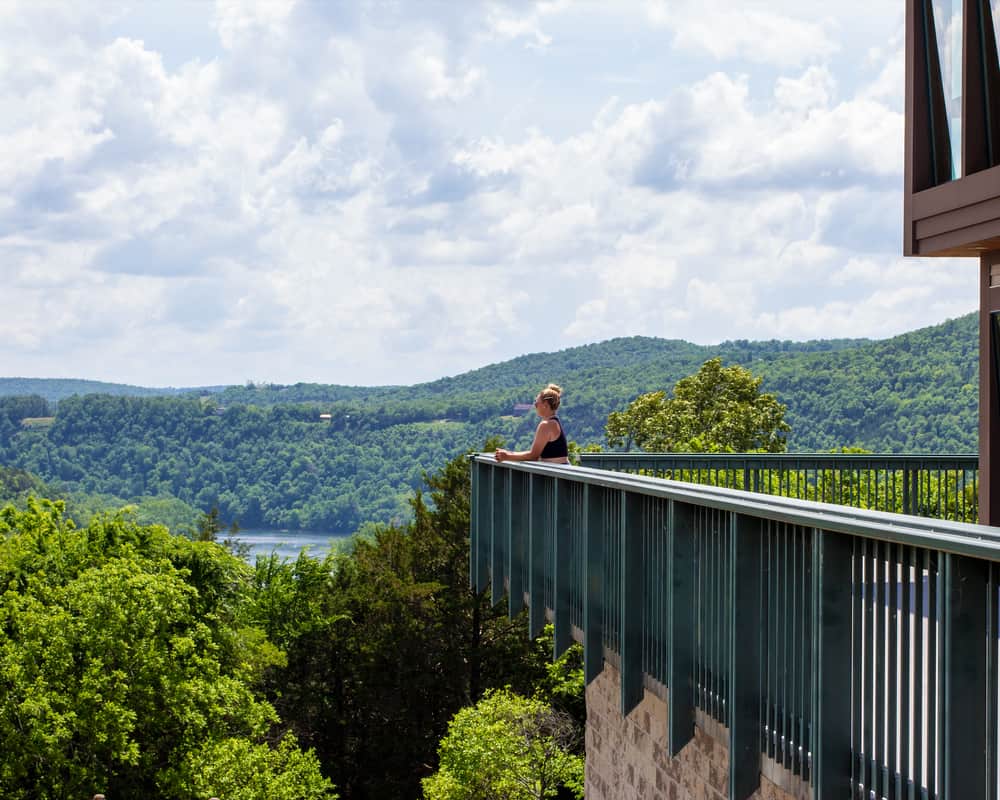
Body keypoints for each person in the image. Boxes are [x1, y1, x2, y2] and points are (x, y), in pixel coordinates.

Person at [495, 383, 569, 464]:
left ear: (545, 405)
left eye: (536, 403)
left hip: (557, 473)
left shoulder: (546, 425)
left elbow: (533, 456)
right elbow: (534, 453)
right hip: (561, 470)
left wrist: (507, 456)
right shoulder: (554, 422)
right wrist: (509, 454)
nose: (535, 406)